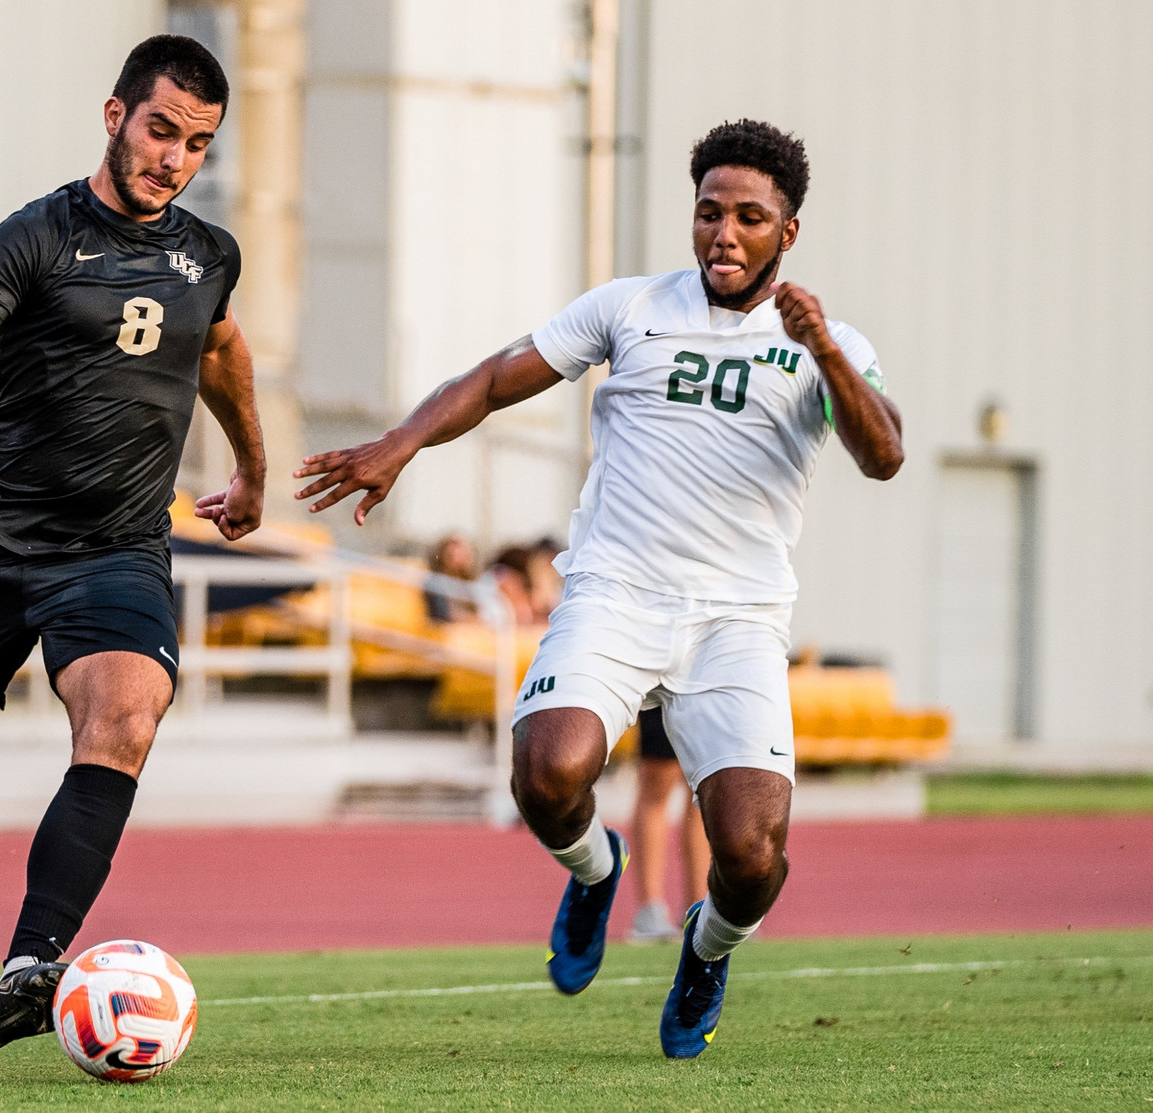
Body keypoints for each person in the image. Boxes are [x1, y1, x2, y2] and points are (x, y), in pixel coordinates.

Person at [291, 119, 902, 1057]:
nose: (723, 235)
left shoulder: (828, 342)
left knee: (751, 857)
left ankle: (706, 948)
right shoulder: (631, 306)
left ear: (788, 230)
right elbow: (496, 378)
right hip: (615, 591)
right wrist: (397, 445)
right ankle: (595, 871)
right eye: (708, 213)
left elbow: (885, 453)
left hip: (737, 620)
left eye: (749, 217)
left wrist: (820, 347)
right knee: (545, 771)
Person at [0, 35, 264, 1057]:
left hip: (119, 547)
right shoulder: (33, 238)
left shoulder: (208, 255)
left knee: (128, 715)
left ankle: (31, 963)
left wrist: (253, 469)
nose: (174, 157)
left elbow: (221, 351)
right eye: (161, 130)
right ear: (115, 116)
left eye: (197, 145)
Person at [627, 706, 712, 942]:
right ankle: (650, 909)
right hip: (665, 676)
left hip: (710, 676)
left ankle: (700, 906)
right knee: (658, 778)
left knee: (704, 784)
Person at [423, 534, 478, 622]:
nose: (456, 557)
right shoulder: (435, 582)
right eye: (451, 555)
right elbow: (443, 616)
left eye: (462, 553)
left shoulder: (465, 585)